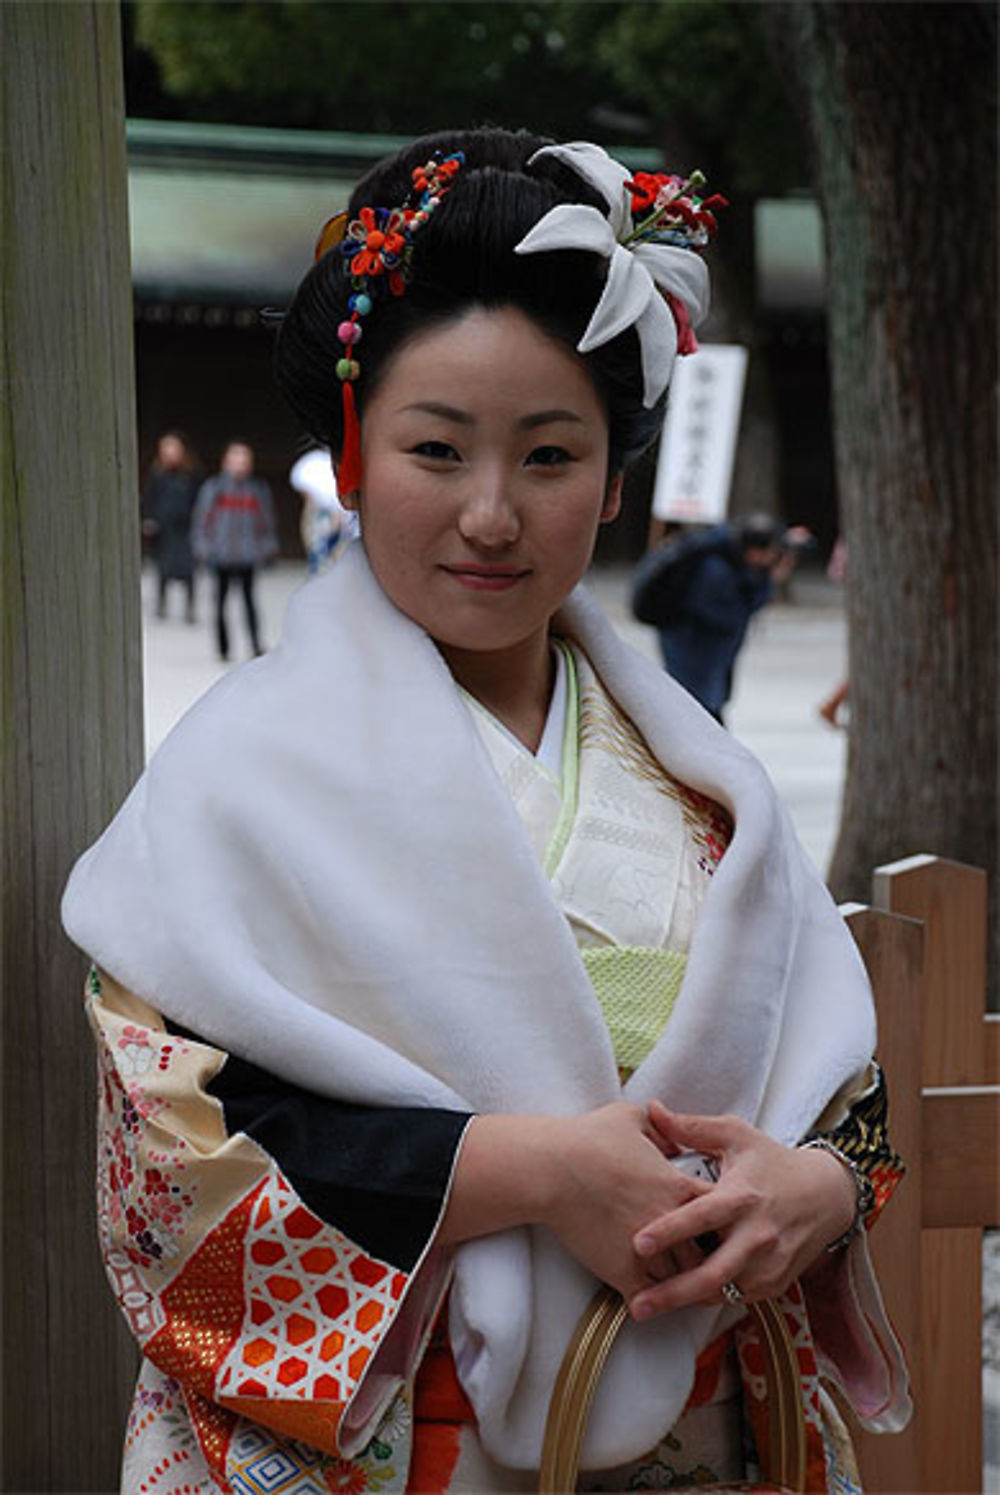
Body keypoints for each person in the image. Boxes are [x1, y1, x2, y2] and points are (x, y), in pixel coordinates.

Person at [62, 130, 909, 1493]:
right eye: (437, 448)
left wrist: (818, 1184)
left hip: (704, 1433)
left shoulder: (697, 777)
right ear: (350, 457)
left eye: (552, 454)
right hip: (404, 1440)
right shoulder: (240, 771)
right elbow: (169, 1144)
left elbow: (834, 1081)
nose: (493, 513)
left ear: (618, 480)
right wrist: (522, 1169)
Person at [651, 514, 812, 723]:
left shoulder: (728, 562)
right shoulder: (715, 572)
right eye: (772, 552)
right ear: (754, 551)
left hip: (704, 659)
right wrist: (768, 582)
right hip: (695, 658)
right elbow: (732, 616)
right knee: (698, 721)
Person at [191, 440, 279, 659]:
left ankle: (255, 643)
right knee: (220, 603)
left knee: (249, 602)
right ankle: (223, 647)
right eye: (236, 459)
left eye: (244, 460)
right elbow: (202, 520)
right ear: (226, 462)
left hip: (247, 554)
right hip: (221, 554)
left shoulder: (257, 490)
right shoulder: (214, 488)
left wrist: (267, 547)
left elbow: (266, 521)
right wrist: (203, 547)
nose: (240, 465)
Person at [141, 430, 201, 623]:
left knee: (188, 570)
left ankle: (190, 606)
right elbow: (150, 499)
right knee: (163, 569)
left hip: (186, 528)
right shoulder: (157, 475)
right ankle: (161, 602)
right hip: (164, 528)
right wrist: (149, 519)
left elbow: (199, 499)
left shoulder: (191, 474)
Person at [289, 445, 360, 574]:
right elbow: (300, 483)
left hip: (346, 515)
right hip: (322, 513)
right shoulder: (313, 461)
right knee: (319, 555)